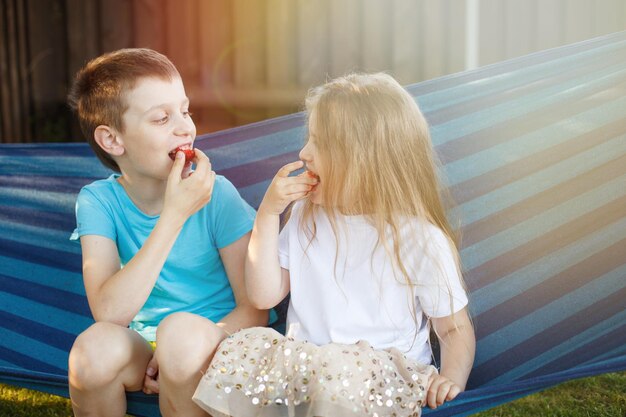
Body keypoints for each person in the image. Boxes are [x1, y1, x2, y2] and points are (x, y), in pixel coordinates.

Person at [192, 73, 476, 417]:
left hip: (378, 379)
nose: (303, 153)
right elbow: (263, 296)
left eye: (320, 142)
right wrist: (268, 214)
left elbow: (454, 327)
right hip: (303, 368)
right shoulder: (303, 216)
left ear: (365, 160)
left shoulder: (419, 239)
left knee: (337, 378)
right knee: (237, 356)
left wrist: (451, 377)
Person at [66, 48, 270, 417]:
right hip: (147, 347)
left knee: (178, 334)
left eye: (185, 110)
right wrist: (174, 215)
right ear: (113, 141)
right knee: (91, 351)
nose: (184, 127)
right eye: (162, 118)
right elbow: (109, 313)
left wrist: (175, 349)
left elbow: (255, 309)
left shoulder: (216, 193)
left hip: (219, 340)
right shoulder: (98, 202)